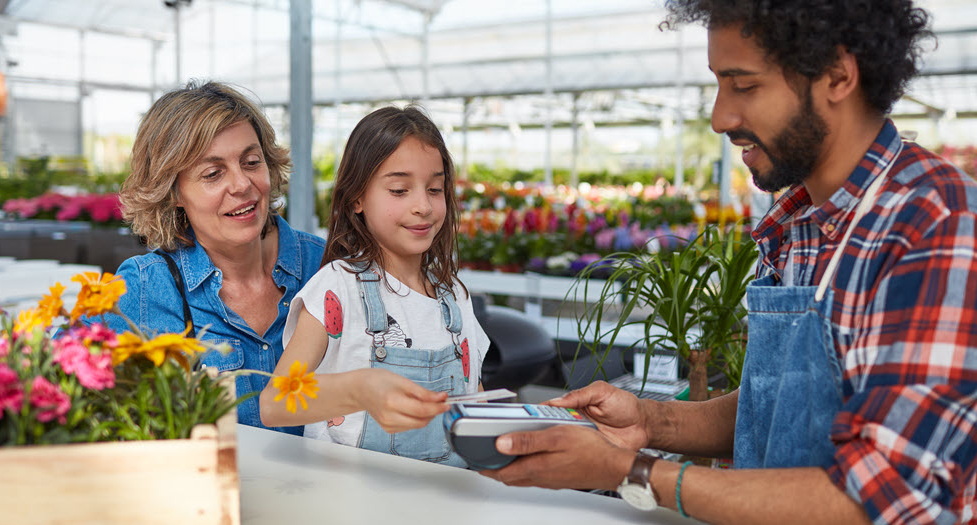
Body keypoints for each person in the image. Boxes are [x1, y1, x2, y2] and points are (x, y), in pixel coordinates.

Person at [481, 2, 977, 524]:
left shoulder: (936, 224)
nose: (721, 118)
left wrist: (628, 471)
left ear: (837, 76)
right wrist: (651, 421)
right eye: (719, 84)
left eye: (744, 86)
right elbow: (781, 403)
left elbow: (883, 500)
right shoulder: (800, 221)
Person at [259, 106, 489, 467]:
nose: (423, 206)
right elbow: (275, 403)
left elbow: (474, 402)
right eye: (399, 190)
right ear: (357, 198)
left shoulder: (455, 297)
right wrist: (360, 389)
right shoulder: (339, 286)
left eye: (435, 189)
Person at [101, 81, 326, 436]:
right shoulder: (144, 291)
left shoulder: (326, 266)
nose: (242, 184)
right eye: (213, 173)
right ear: (173, 190)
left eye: (252, 162)